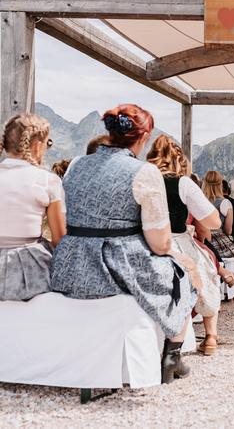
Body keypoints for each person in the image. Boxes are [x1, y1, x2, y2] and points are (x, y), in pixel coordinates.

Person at [50, 104, 199, 384]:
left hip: (72, 267)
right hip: (116, 267)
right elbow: (160, 243)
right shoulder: (143, 172)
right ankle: (173, 353)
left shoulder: (76, 166)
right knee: (184, 273)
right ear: (144, 137)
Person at [147, 135, 228, 356]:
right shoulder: (182, 183)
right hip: (176, 240)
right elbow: (214, 222)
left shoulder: (142, 180)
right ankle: (211, 336)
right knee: (207, 272)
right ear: (179, 160)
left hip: (145, 241)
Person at [0, 113, 66, 301]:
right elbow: (59, 238)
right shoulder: (47, 181)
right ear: (38, 145)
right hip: (26, 269)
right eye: (48, 143)